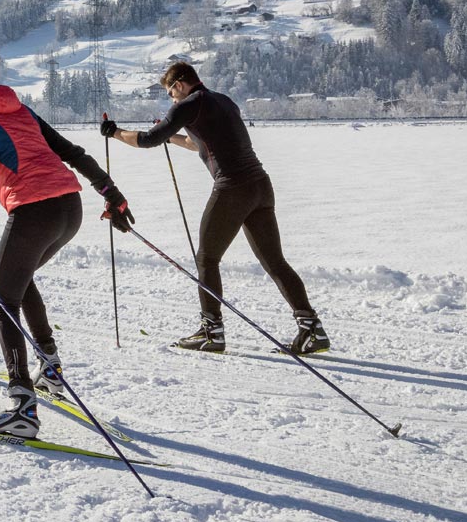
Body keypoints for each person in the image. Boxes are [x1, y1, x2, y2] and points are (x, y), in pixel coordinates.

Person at [0, 43, 134, 438]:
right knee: (19, 281)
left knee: (3, 301)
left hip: (35, 211)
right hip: (69, 209)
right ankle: (51, 370)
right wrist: (113, 196)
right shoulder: (21, 110)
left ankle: (22, 406)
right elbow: (72, 153)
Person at [101, 61, 330, 356]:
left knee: (207, 259)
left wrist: (115, 132)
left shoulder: (187, 105)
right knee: (275, 262)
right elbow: (202, 145)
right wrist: (170, 135)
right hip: (260, 185)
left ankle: (212, 332)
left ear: (179, 85)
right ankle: (311, 329)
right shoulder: (223, 100)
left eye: (171, 94)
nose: (171, 100)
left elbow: (146, 140)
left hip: (232, 188)